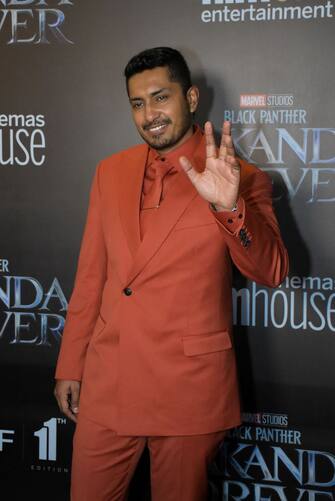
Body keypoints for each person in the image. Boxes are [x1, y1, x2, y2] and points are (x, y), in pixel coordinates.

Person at [54, 46, 288, 501]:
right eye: (138, 104)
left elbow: (272, 270)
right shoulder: (109, 171)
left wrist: (227, 205)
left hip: (187, 387)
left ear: (192, 98)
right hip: (108, 382)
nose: (149, 114)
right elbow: (91, 277)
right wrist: (71, 364)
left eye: (160, 98)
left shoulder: (240, 176)